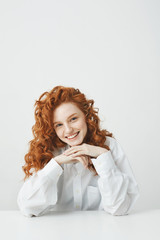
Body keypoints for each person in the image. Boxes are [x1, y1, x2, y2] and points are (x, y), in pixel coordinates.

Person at [17, 86, 139, 217]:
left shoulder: (109, 146)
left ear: (86, 116)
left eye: (73, 119)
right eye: (59, 125)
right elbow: (27, 208)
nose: (68, 130)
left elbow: (119, 208)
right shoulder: (48, 151)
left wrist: (103, 157)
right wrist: (56, 163)